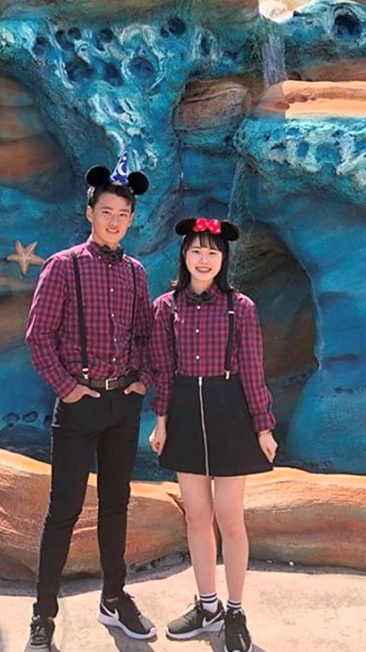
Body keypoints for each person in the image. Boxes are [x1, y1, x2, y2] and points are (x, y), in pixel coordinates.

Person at [23, 154, 156, 652]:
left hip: (123, 404)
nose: (114, 221)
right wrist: (66, 388)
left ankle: (114, 598)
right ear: (90, 213)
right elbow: (38, 336)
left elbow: (146, 335)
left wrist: (142, 381)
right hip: (79, 405)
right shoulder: (63, 266)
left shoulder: (136, 273)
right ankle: (43, 613)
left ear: (131, 219)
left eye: (122, 214)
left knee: (116, 504)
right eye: (106, 212)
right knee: (63, 509)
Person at [148, 217, 277, 652]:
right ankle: (207, 606)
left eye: (213, 252)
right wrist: (161, 420)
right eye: (196, 251)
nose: (204, 259)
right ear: (184, 256)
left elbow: (253, 370)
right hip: (185, 411)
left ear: (223, 259)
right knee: (197, 516)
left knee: (229, 517)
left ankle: (235, 612)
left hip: (229, 412)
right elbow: (163, 370)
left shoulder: (241, 307)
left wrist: (263, 426)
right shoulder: (166, 307)